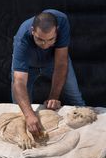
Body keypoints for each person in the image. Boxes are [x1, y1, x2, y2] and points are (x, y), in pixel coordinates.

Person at [11, 9, 85, 137]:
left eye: (51, 39)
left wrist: (54, 97)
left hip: (55, 61)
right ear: (32, 30)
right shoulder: (22, 38)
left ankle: (86, 134)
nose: (45, 45)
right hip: (29, 65)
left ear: (57, 30)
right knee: (19, 109)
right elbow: (19, 81)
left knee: (76, 99)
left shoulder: (62, 20)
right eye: (40, 39)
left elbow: (61, 64)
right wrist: (29, 115)